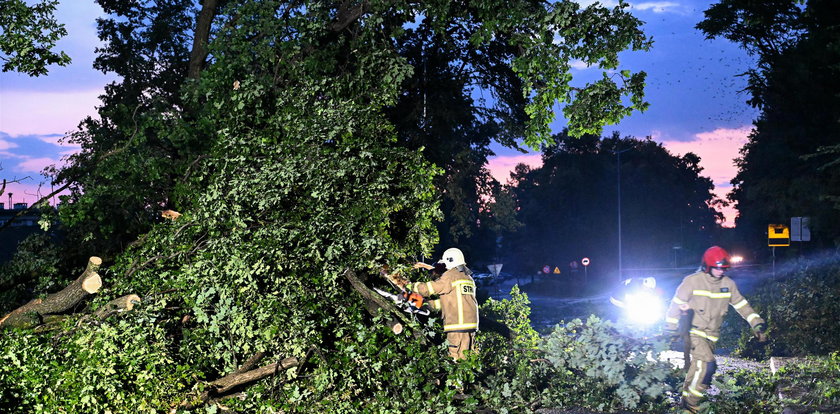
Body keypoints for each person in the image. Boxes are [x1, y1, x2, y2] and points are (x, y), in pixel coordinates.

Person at [664, 246, 768, 413]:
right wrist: (670, 328)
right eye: (717, 268)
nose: (721, 272)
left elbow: (742, 305)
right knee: (708, 365)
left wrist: (756, 323)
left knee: (697, 369)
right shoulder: (692, 281)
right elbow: (675, 305)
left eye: (723, 269)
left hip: (712, 336)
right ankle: (692, 406)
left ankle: (684, 403)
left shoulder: (728, 284)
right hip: (693, 332)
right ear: (707, 266)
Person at [410, 248, 479, 360]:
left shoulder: (451, 275)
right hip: (470, 325)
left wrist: (410, 286)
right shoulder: (468, 277)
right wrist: (426, 305)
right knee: (468, 357)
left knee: (455, 357)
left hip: (457, 324)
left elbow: (429, 289)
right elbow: (450, 301)